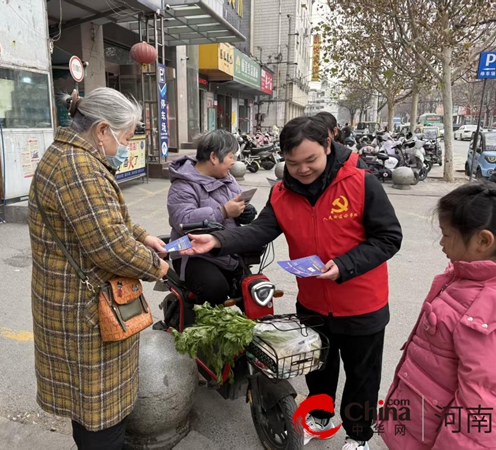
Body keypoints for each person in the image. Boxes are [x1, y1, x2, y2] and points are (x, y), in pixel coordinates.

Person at [183, 116, 403, 450]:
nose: (302, 169)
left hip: (362, 303)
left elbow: (389, 238)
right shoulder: (282, 193)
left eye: (311, 160)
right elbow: (261, 230)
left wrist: (345, 265)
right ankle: (319, 417)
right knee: (317, 367)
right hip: (313, 302)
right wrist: (218, 241)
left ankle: (358, 437)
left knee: (362, 376)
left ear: (328, 145)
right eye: (293, 162)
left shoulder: (361, 183)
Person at [28, 88, 169, 450]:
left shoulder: (71, 156)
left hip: (74, 302)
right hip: (86, 310)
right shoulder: (79, 167)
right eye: (124, 137)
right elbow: (112, 247)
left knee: (87, 405)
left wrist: (144, 235)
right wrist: (159, 268)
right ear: (102, 130)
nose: (125, 145)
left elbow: (104, 222)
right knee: (100, 411)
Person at [380, 182, 496, 450]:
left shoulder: (489, 308)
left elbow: (481, 404)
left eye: (446, 235)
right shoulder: (464, 277)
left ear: (483, 241)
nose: (441, 242)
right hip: (418, 425)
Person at [167, 130, 257, 305]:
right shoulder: (183, 184)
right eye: (231, 156)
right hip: (193, 255)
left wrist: (245, 211)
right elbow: (182, 219)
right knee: (215, 289)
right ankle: (201, 329)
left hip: (226, 248)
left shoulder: (227, 178)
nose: (233, 162)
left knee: (252, 289)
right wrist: (222, 211)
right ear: (214, 157)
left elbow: (237, 204)